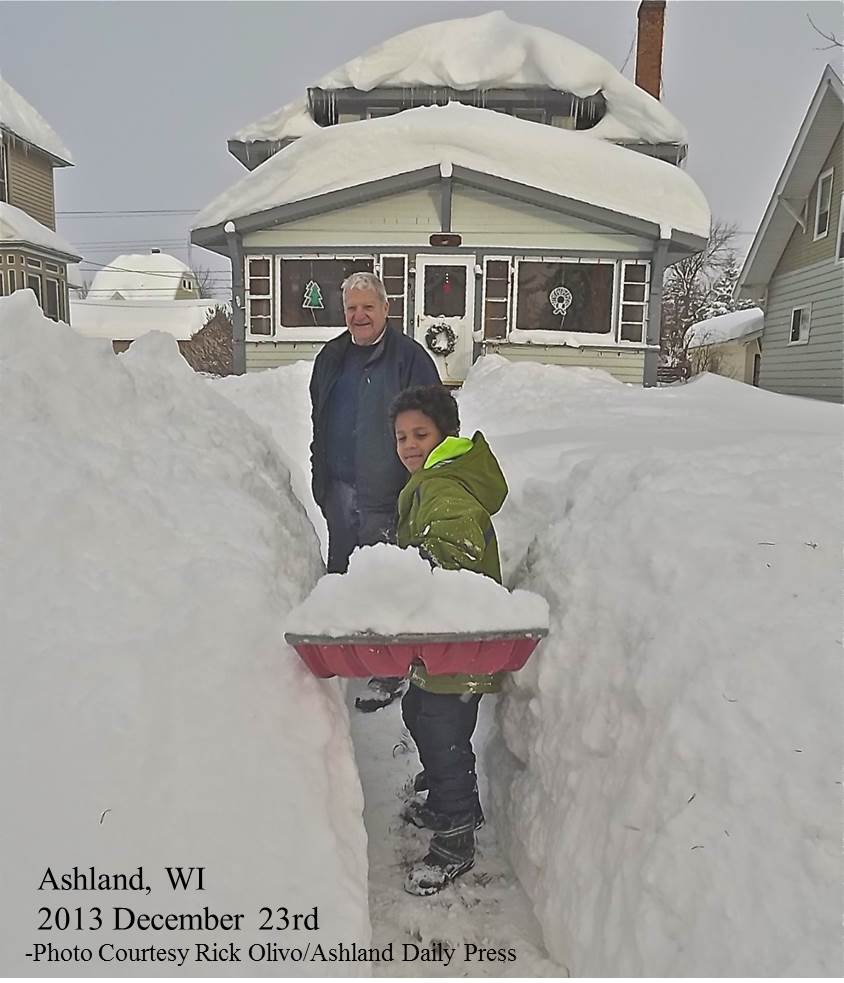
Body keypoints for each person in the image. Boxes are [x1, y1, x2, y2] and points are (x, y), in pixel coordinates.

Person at [389, 384, 508, 896]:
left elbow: (452, 553)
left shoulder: (445, 488)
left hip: (459, 644)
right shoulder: (434, 480)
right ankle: (449, 801)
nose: (409, 445)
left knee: (442, 736)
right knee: (422, 716)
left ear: (445, 434)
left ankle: (456, 836)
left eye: (420, 433)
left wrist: (400, 577)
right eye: (400, 437)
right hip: (442, 642)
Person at [309, 271, 440, 711]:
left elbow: (434, 429)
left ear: (386, 308)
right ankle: (347, 660)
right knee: (344, 574)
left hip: (390, 494)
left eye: (368, 306)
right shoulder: (330, 358)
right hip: (342, 491)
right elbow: (319, 422)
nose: (359, 315)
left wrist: (421, 488)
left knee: (386, 583)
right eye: (351, 308)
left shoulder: (410, 359)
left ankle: (389, 670)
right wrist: (320, 479)